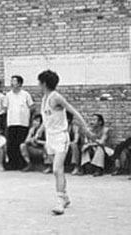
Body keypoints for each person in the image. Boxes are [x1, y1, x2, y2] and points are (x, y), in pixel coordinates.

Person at [37, 70, 93, 215]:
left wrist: (85, 128)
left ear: (44, 83)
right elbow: (47, 118)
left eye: (39, 82)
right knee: (57, 172)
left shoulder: (56, 97)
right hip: (50, 137)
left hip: (61, 136)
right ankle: (65, 196)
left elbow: (74, 112)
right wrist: (39, 130)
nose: (38, 85)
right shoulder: (44, 97)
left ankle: (60, 201)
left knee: (57, 169)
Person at [5, 75, 34, 170]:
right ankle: (12, 164)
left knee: (20, 143)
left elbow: (32, 107)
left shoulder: (25, 94)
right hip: (12, 122)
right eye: (11, 81)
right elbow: (5, 108)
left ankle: (22, 164)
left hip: (23, 123)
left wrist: (28, 117)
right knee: (11, 144)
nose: (12, 83)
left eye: (14, 81)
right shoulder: (8, 95)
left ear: (20, 83)